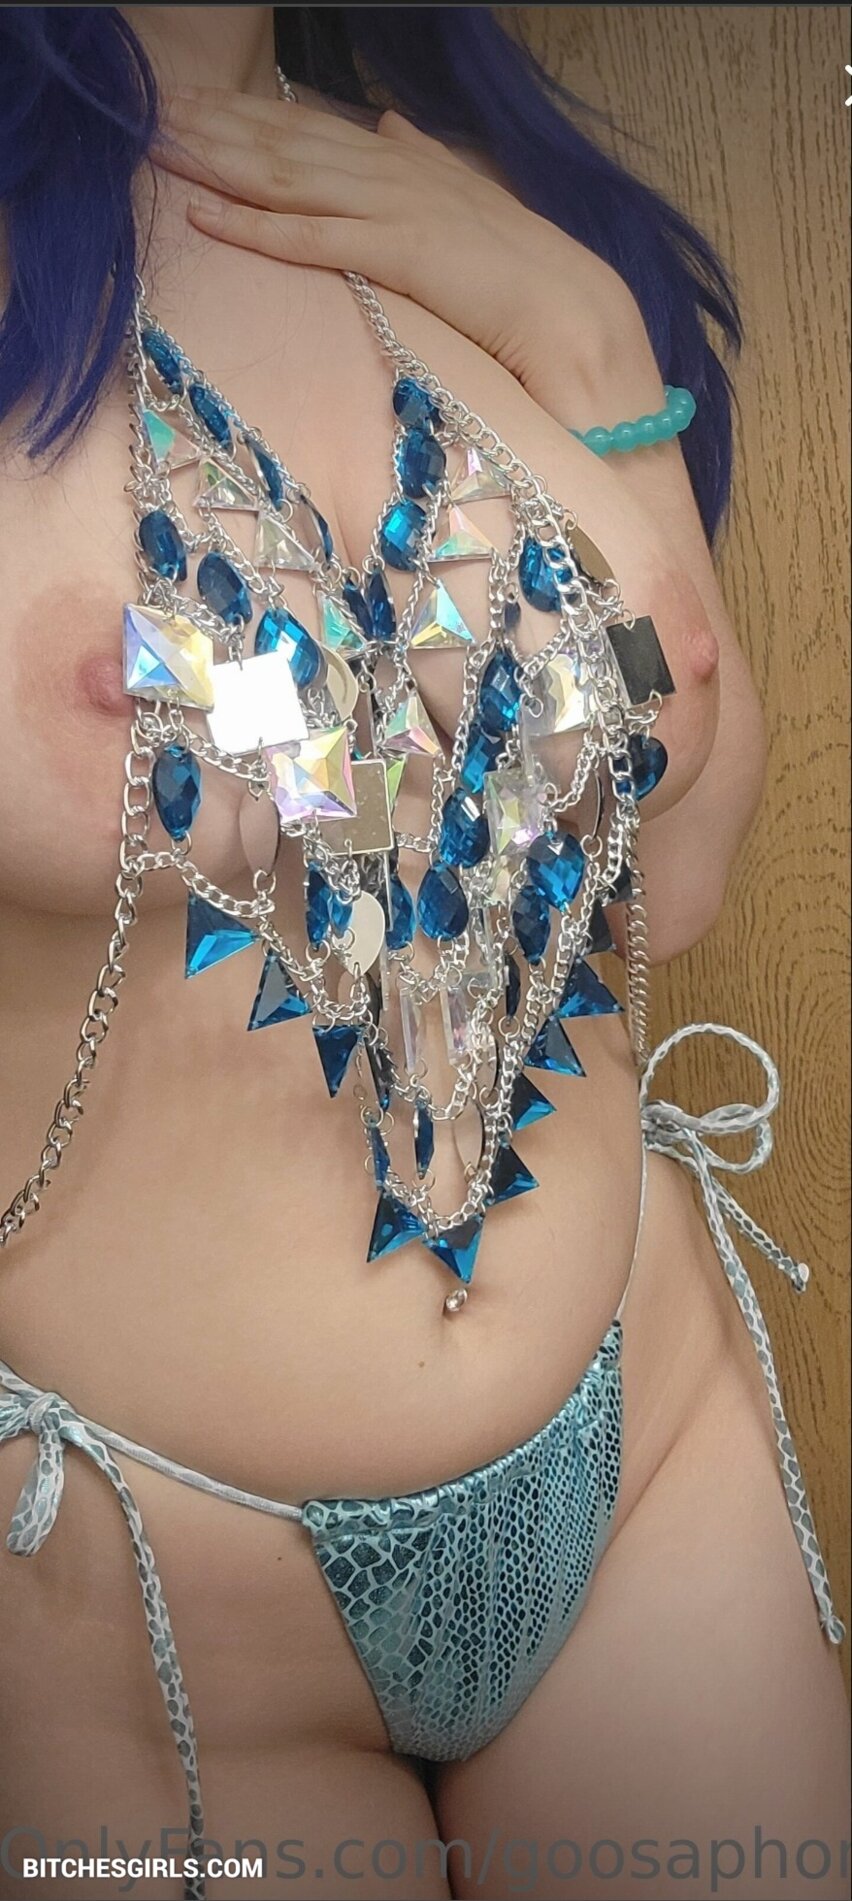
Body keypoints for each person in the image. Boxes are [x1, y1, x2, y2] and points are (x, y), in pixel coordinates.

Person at [0, 9, 847, 1901]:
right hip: (146, 1584)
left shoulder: (468, 195)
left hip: (644, 1456)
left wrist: (596, 341)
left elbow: (675, 878)